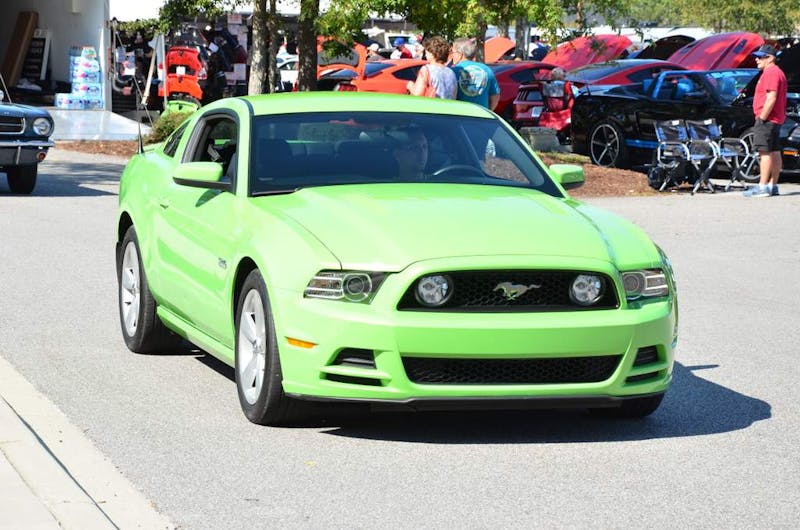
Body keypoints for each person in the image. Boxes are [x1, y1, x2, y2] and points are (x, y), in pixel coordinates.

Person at [744, 44, 787, 197]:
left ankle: (762, 187)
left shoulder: (771, 72)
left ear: (770, 58)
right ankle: (772, 186)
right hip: (776, 119)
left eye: (760, 56)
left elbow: (771, 97)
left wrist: (762, 118)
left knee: (765, 152)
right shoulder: (777, 72)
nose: (756, 59)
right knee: (775, 151)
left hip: (768, 119)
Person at [449, 37, 500, 110]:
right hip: (481, 116)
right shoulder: (486, 70)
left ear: (460, 54)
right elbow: (495, 95)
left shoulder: (453, 71)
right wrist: (489, 112)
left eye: (453, 52)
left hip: (459, 115)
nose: (452, 55)